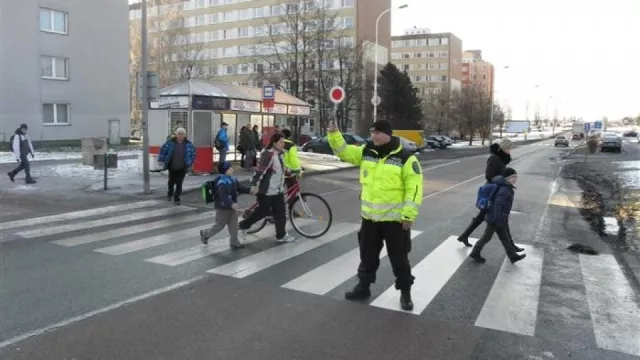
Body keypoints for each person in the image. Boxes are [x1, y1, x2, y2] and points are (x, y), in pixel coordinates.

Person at [327, 120, 423, 311]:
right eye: (372, 132)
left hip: (394, 220)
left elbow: (415, 188)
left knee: (399, 258)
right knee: (367, 255)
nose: (374, 136)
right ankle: (363, 286)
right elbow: (343, 151)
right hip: (370, 218)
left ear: (388, 134)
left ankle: (405, 292)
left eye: (378, 132)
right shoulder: (366, 152)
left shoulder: (405, 157)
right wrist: (334, 134)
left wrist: (409, 215)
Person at [457, 139, 524, 253]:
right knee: (500, 218)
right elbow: (489, 175)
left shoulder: (502, 158)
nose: (510, 150)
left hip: (497, 190)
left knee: (481, 217)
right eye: (508, 148)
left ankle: (464, 236)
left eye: (510, 148)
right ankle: (510, 246)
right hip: (493, 191)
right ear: (503, 148)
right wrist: (501, 181)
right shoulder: (494, 158)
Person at [238, 132, 295, 243]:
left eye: (283, 142)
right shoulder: (269, 155)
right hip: (266, 191)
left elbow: (280, 169)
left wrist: (290, 171)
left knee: (280, 214)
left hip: (277, 190)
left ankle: (281, 235)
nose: (283, 144)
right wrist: (254, 185)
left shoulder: (280, 154)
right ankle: (243, 225)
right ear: (274, 143)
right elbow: (260, 171)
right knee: (262, 212)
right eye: (280, 142)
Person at [469, 168, 527, 264]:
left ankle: (513, 256)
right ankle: (475, 252)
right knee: (488, 237)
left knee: (503, 237)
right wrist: (497, 218)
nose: (515, 179)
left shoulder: (506, 187)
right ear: (507, 178)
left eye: (516, 177)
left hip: (498, 217)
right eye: (513, 177)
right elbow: (498, 204)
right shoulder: (505, 189)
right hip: (495, 218)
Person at [200, 162, 256, 249]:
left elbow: (240, 187)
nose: (232, 169)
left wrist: (250, 190)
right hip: (222, 208)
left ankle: (234, 242)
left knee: (233, 225)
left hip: (231, 207)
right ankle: (205, 234)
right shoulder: (221, 182)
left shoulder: (232, 179)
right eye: (230, 168)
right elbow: (223, 196)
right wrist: (231, 204)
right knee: (220, 225)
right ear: (225, 171)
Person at [158, 127, 196, 205]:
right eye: (179, 134)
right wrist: (161, 159)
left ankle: (177, 198)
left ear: (185, 135)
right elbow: (163, 150)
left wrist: (190, 162)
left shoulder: (188, 144)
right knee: (171, 182)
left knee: (179, 183)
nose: (180, 135)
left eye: (182, 134)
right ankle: (170, 193)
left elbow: (193, 154)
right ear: (176, 134)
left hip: (183, 167)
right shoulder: (170, 142)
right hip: (172, 166)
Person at [281, 129, 301, 206]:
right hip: (288, 172)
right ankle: (291, 208)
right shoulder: (291, 145)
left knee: (276, 191)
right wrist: (297, 170)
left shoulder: (276, 143)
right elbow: (293, 160)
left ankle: (273, 208)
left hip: (279, 171)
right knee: (292, 190)